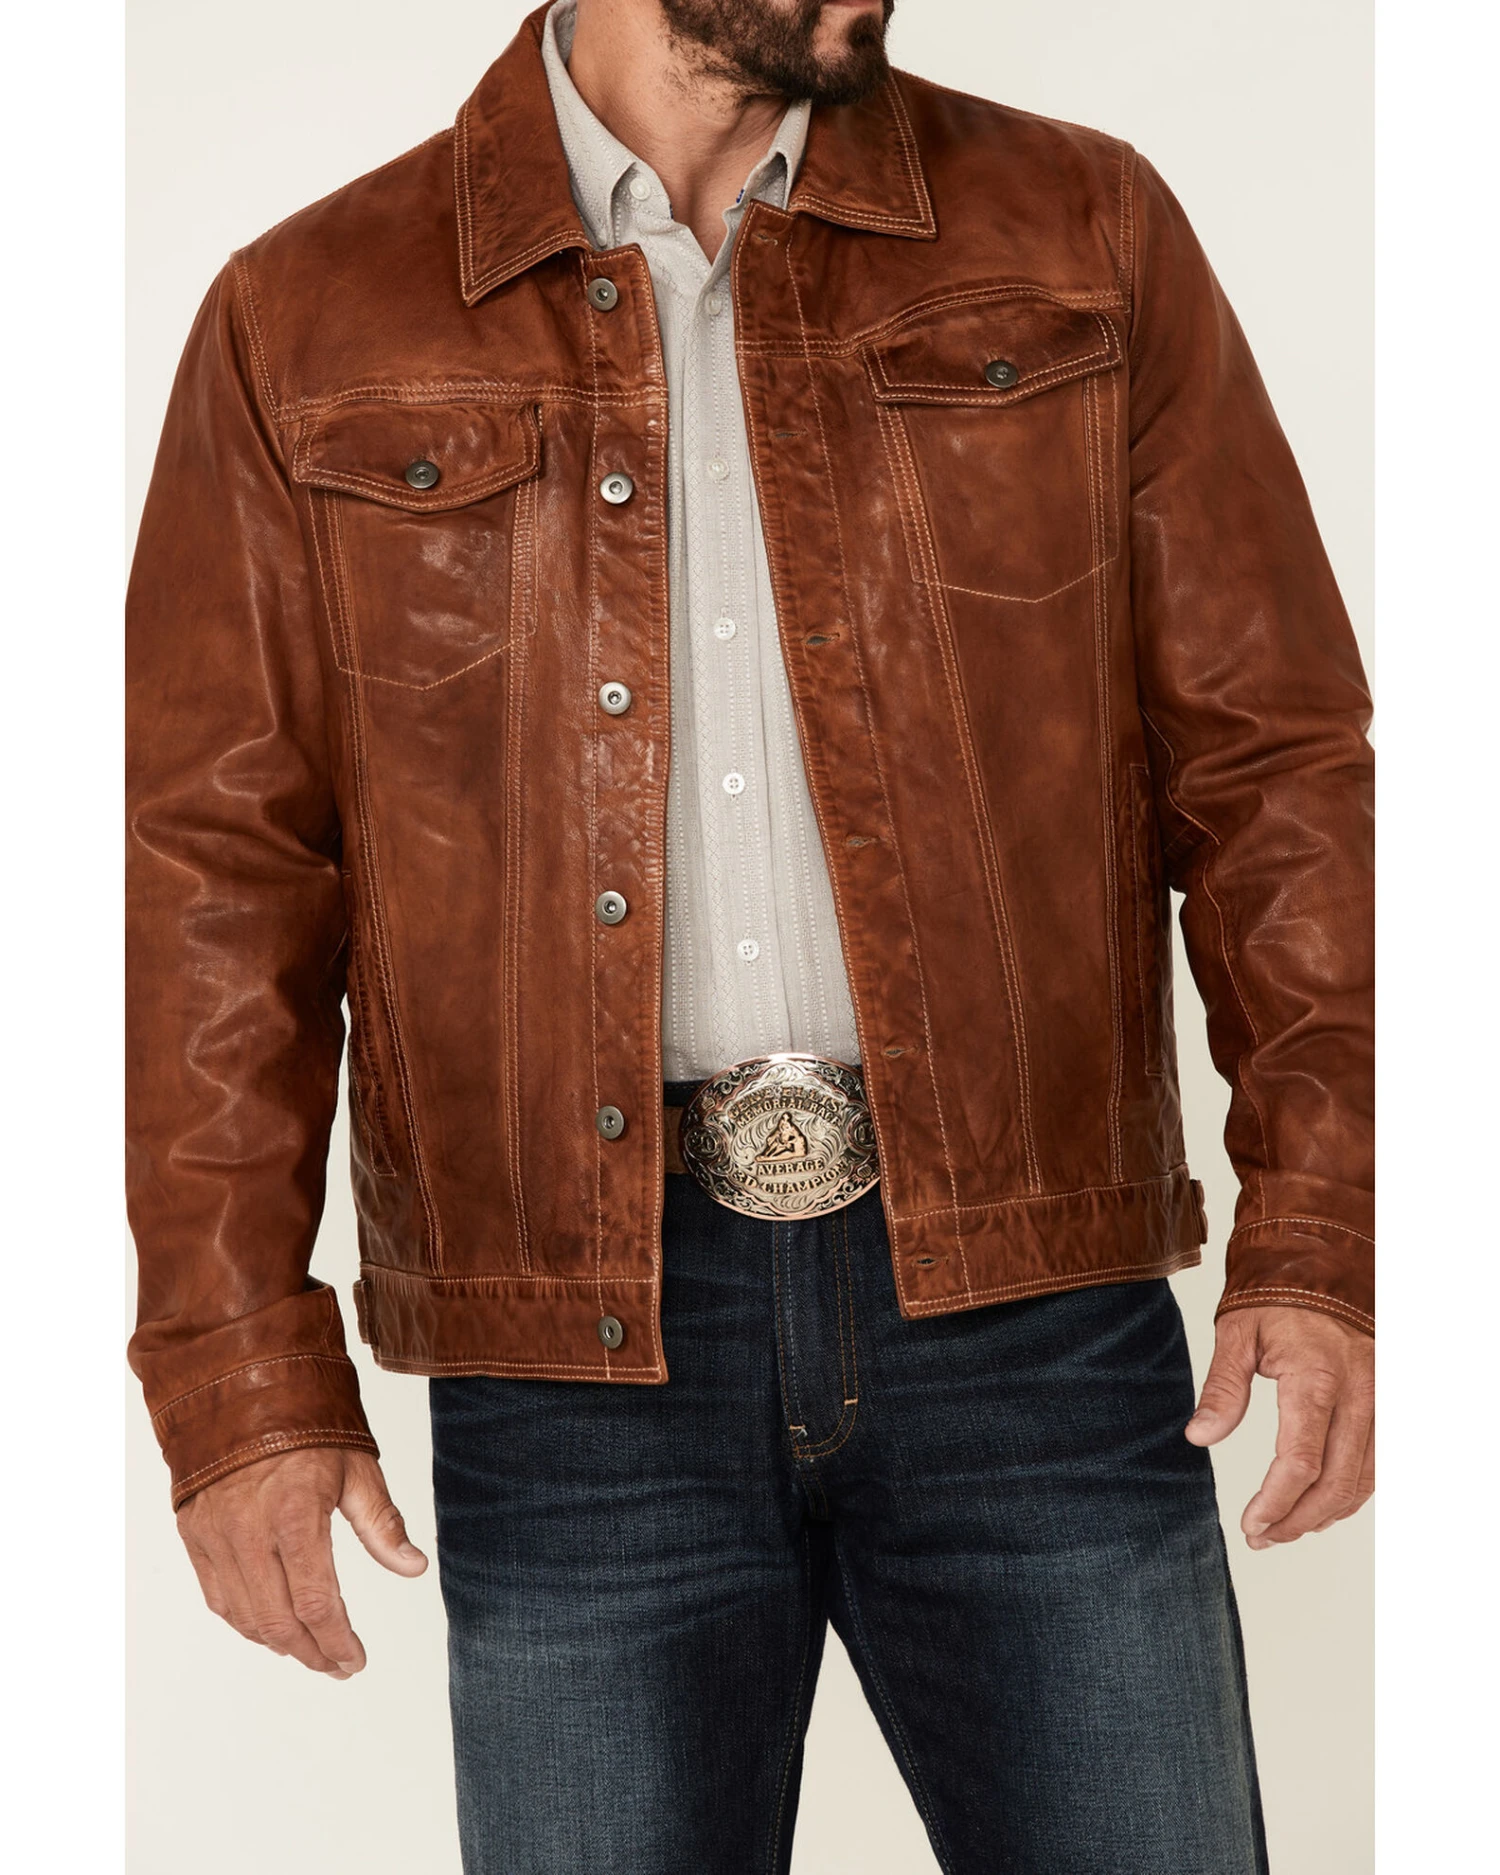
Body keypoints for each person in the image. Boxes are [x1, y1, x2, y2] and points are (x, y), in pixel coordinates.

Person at [126, 2, 1374, 1869]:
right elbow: (219, 875)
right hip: (576, 1358)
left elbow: (1274, 764)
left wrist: (1327, 1221)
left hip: (1032, 1305)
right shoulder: (302, 317)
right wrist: (235, 1367)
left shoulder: (1084, 229)